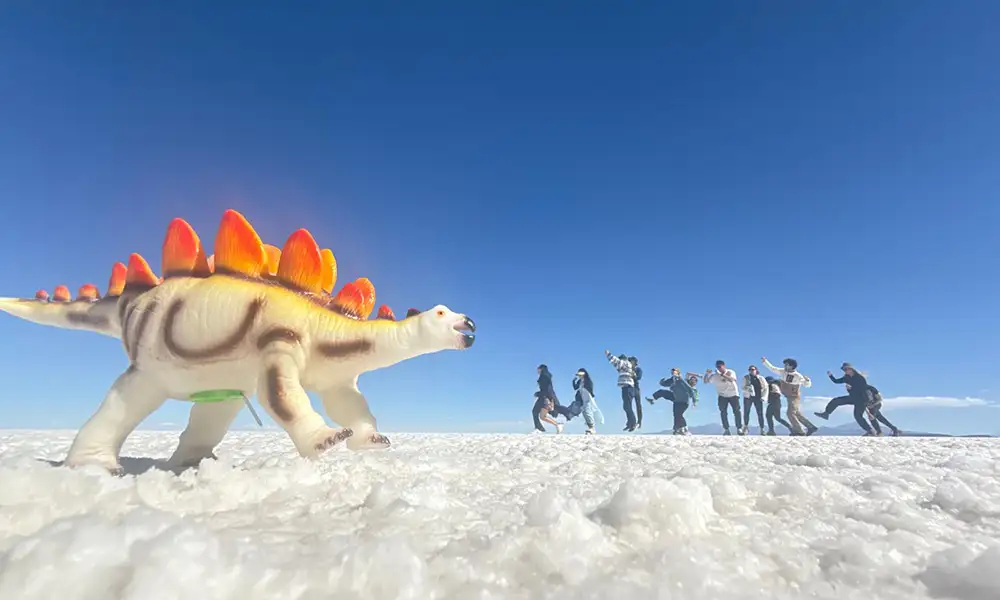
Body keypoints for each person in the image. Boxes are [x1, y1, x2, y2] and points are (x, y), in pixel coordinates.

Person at [813, 362, 876, 435]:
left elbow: (863, 389)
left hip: (861, 399)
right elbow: (836, 381)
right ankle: (826, 414)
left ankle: (870, 431)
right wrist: (831, 376)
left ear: (851, 369)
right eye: (844, 370)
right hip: (853, 397)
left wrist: (851, 389)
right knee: (836, 401)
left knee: (857, 416)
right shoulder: (846, 377)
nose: (845, 371)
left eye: (846, 369)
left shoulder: (860, 378)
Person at [761, 356, 817, 436]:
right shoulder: (783, 372)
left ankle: (799, 431)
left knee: (790, 413)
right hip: (788, 396)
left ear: (792, 366)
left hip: (794, 397)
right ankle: (811, 427)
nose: (784, 366)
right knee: (796, 413)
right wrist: (765, 362)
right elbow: (773, 368)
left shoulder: (798, 376)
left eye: (786, 365)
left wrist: (808, 380)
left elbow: (807, 385)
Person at [651, 368, 699, 435]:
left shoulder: (683, 382)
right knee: (676, 415)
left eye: (694, 381)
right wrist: (662, 382)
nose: (693, 381)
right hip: (676, 399)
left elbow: (690, 391)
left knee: (678, 415)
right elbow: (666, 383)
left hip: (684, 402)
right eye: (672, 372)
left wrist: (694, 401)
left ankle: (684, 429)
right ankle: (676, 429)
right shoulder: (674, 380)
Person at [704, 360, 742, 435]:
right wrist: (707, 374)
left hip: (733, 394)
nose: (718, 368)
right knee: (723, 412)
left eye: (720, 367)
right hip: (722, 396)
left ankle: (739, 428)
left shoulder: (730, 372)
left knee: (737, 411)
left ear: (724, 366)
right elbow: (706, 381)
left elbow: (732, 380)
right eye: (717, 367)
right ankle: (726, 429)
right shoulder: (715, 375)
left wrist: (722, 374)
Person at [605, 350, 638, 431]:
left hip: (628, 387)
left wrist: (608, 354)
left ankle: (633, 423)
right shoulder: (625, 366)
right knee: (626, 406)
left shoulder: (625, 362)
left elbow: (616, 361)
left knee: (628, 406)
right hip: (625, 387)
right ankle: (630, 423)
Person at [572, 368, 603, 434]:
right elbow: (575, 388)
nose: (579, 376)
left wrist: (589, 395)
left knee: (587, 411)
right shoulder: (580, 381)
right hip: (582, 398)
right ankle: (590, 427)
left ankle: (592, 428)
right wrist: (573, 381)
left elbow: (590, 389)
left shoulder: (587, 380)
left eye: (580, 375)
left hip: (588, 398)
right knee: (584, 412)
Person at [741, 365, 768, 435]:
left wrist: (764, 397)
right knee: (746, 412)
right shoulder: (746, 377)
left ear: (756, 370)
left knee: (760, 413)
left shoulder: (761, 378)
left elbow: (766, 388)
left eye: (753, 369)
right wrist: (747, 388)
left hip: (758, 397)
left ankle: (762, 429)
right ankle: (745, 428)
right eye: (750, 369)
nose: (751, 371)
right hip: (748, 397)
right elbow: (742, 388)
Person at [630, 356, 644, 430]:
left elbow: (639, 377)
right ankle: (631, 422)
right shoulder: (628, 369)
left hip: (636, 388)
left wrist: (633, 375)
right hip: (630, 388)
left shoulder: (638, 369)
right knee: (629, 405)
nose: (631, 362)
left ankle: (639, 421)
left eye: (632, 361)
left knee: (638, 405)